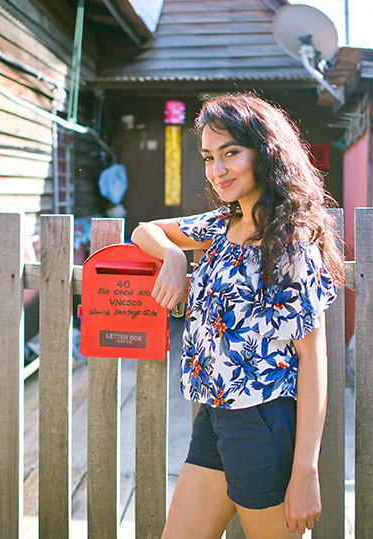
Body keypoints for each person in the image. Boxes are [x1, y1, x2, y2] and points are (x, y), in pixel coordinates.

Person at [131, 93, 344, 538]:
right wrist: (173, 255)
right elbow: (143, 230)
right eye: (209, 157)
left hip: (261, 421)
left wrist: (305, 471)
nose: (217, 169)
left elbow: (314, 357)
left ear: (265, 153)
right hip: (214, 415)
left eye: (230, 153)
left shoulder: (289, 243)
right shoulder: (221, 225)